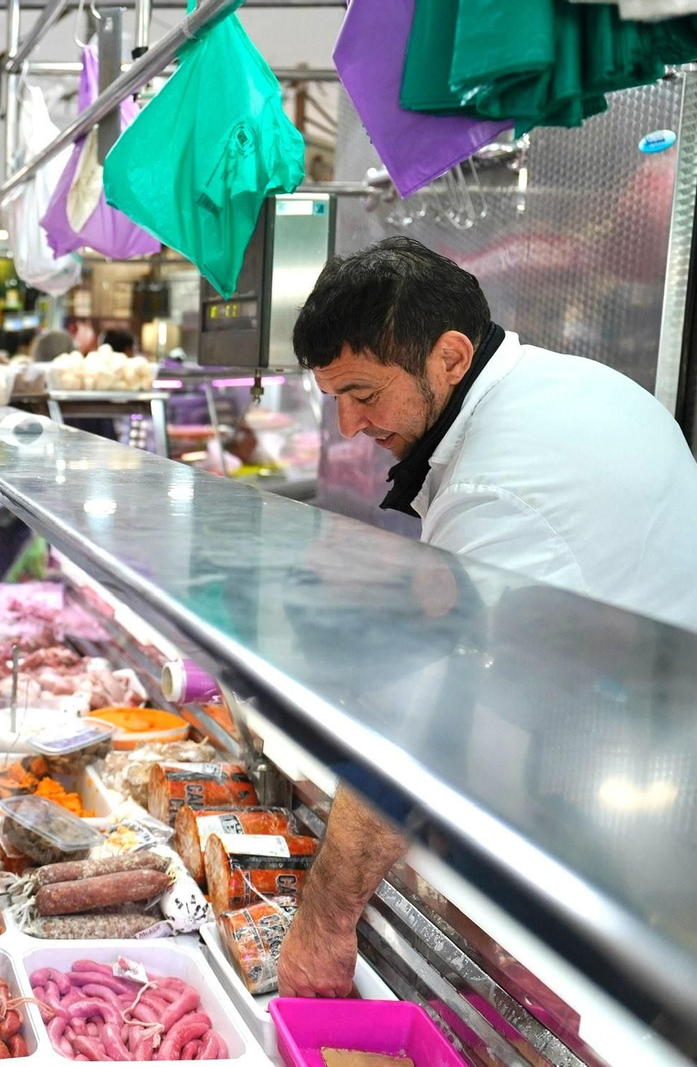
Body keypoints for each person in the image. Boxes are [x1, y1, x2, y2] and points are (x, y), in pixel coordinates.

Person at [277, 235, 697, 998]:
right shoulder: (569, 383)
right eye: (334, 396)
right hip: (622, 737)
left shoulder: (498, 486)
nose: (349, 425)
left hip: (639, 809)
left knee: (599, 1006)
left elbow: (415, 731)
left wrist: (326, 919)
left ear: (450, 356)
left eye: (363, 393)